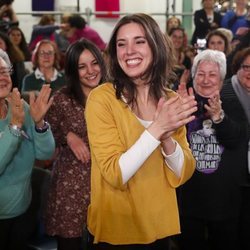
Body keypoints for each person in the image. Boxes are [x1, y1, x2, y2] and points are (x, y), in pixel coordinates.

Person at [85, 13, 197, 249]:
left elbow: (183, 171)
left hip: (159, 226)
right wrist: (158, 128)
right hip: (118, 229)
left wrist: (167, 138)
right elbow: (115, 173)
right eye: (121, 44)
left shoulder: (170, 99)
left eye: (139, 41)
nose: (129, 51)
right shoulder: (101, 99)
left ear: (156, 46)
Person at [177, 49, 244, 250]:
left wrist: (219, 117)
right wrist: (178, 115)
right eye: (201, 74)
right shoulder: (184, 101)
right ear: (194, 76)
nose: (206, 80)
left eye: (212, 74)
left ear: (222, 79)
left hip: (223, 200)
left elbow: (236, 139)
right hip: (188, 197)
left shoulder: (233, 102)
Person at [44, 38, 107, 250]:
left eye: (94, 63)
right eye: (82, 66)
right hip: (70, 182)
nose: (90, 70)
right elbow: (46, 131)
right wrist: (67, 135)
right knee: (68, 243)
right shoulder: (62, 98)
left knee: (104, 241)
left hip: (106, 181)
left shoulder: (114, 94)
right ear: (73, 70)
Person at [0, 48, 55, 250]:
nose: (3, 78)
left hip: (23, 211)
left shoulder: (20, 106)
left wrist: (39, 123)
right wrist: (14, 127)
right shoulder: (17, 115)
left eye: (5, 71)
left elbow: (45, 153)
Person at [222, 47, 250, 250]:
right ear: (236, 68)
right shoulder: (224, 92)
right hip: (232, 174)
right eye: (246, 67)